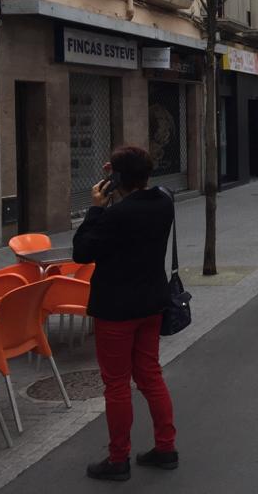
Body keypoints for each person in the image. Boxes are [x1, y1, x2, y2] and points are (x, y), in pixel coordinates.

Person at [72, 146, 178, 481]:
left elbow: (81, 252)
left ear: (117, 178)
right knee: (150, 375)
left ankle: (118, 458)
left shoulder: (114, 216)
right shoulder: (164, 203)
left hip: (117, 310)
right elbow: (143, 186)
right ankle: (165, 447)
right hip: (152, 304)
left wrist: (94, 208)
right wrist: (120, 175)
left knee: (116, 384)